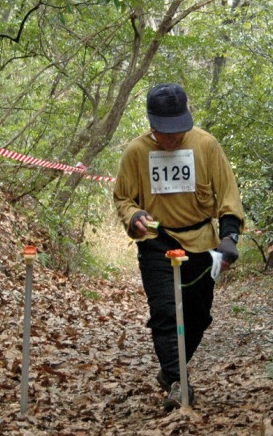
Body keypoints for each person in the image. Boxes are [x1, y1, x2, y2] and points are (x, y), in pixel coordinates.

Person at [113, 82, 244, 410]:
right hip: (157, 241)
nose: (171, 138)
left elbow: (228, 194)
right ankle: (178, 382)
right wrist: (134, 216)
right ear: (151, 123)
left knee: (198, 315)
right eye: (164, 131)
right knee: (165, 312)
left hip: (201, 242)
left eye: (177, 130)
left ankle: (170, 367)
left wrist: (229, 236)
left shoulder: (206, 145)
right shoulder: (136, 152)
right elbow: (124, 198)